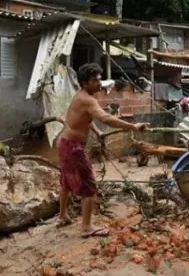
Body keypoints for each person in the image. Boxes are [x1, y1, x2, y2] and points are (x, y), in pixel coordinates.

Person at [55, 63, 150, 238]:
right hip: (72, 147)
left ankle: (62, 216)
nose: (99, 83)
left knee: (66, 182)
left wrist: (97, 132)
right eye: (94, 80)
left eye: (99, 79)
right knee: (89, 186)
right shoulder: (88, 100)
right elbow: (105, 118)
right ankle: (87, 227)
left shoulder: (82, 97)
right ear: (84, 83)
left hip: (64, 143)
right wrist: (133, 126)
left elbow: (84, 119)